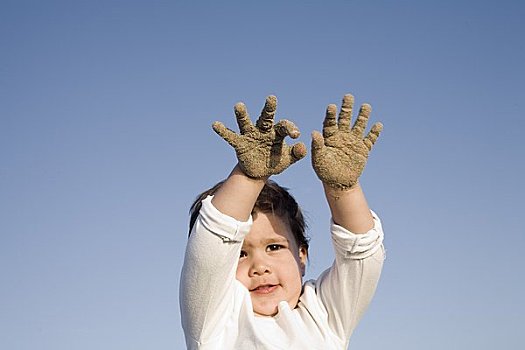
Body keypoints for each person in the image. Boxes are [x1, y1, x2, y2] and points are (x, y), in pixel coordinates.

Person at [180, 94, 385, 349]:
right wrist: (248, 178)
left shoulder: (323, 313)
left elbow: (361, 254)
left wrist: (343, 189)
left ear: (302, 256)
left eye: (274, 247)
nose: (259, 267)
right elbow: (212, 243)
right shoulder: (215, 321)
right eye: (240, 254)